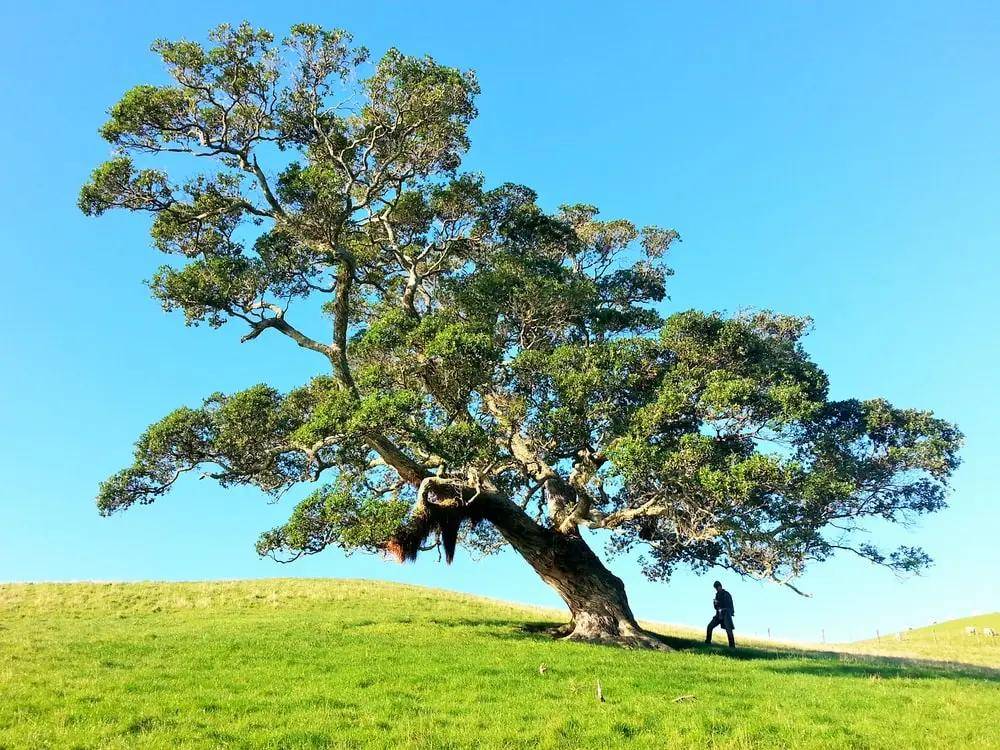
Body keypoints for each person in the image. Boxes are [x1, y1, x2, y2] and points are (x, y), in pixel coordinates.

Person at [706, 580, 736, 648]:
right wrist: (715, 604)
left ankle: (732, 646)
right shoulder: (717, 595)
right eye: (715, 588)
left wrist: (723, 609)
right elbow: (716, 607)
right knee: (709, 626)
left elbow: (730, 606)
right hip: (719, 615)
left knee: (729, 630)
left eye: (717, 587)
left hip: (726, 614)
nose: (717, 589)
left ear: (720, 586)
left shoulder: (727, 594)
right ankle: (707, 642)